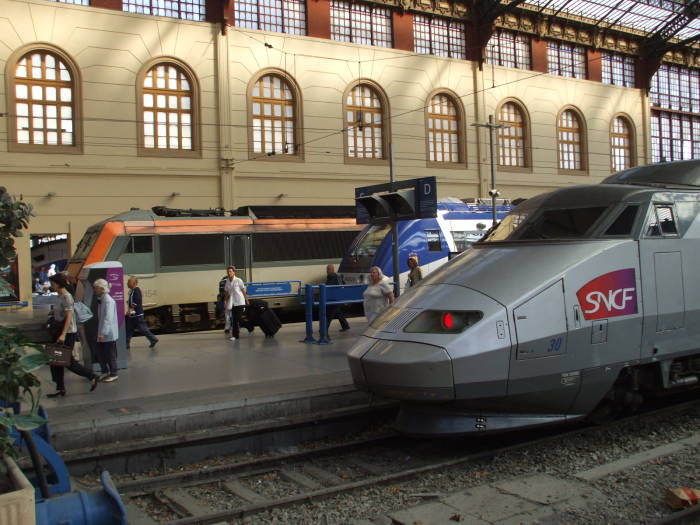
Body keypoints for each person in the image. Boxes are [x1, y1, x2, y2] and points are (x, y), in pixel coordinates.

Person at [46, 273, 99, 398]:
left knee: (67, 361)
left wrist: (63, 334)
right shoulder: (59, 296)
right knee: (55, 360)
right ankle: (60, 388)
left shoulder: (67, 297)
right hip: (58, 331)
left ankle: (92, 376)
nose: (51, 286)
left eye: (53, 284)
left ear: (58, 284)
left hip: (67, 333)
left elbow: (69, 317)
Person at [93, 278, 119, 382]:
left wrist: (103, 333)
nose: (95, 290)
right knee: (101, 353)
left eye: (96, 288)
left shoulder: (108, 301)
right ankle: (105, 371)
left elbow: (108, 318)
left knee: (109, 354)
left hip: (108, 333)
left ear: (101, 288)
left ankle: (113, 373)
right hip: (103, 332)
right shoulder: (102, 299)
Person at [126, 276, 158, 350]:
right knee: (129, 330)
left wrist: (130, 309)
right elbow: (133, 301)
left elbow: (136, 302)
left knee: (142, 329)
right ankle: (126, 343)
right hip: (133, 315)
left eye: (129, 282)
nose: (127, 283)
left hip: (136, 315)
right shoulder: (133, 291)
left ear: (133, 283)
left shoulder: (136, 290)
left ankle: (153, 339)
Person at [223, 266, 249, 341]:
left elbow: (243, 291)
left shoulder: (238, 280)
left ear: (234, 272)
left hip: (240, 302)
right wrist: (225, 301)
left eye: (230, 271)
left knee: (238, 319)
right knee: (235, 320)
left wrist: (247, 300)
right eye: (228, 271)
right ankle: (235, 335)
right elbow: (227, 292)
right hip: (233, 303)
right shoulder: (227, 281)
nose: (229, 273)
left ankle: (249, 327)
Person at [326, 264, 350, 331]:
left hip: (337, 298)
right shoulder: (329, 277)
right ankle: (345, 326)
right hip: (332, 298)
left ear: (332, 270)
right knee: (338, 312)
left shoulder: (337, 277)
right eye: (327, 269)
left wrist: (343, 298)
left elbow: (342, 287)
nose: (327, 271)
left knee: (329, 314)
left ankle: (324, 329)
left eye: (328, 269)